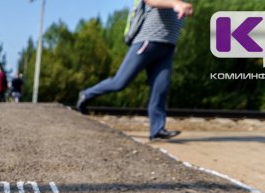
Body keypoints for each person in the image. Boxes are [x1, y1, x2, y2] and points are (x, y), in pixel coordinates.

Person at [77, 0, 193, 141]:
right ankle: (86, 94)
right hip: (147, 42)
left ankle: (157, 130)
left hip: (167, 47)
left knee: (161, 88)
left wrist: (184, 7)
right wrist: (176, 5)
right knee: (120, 82)